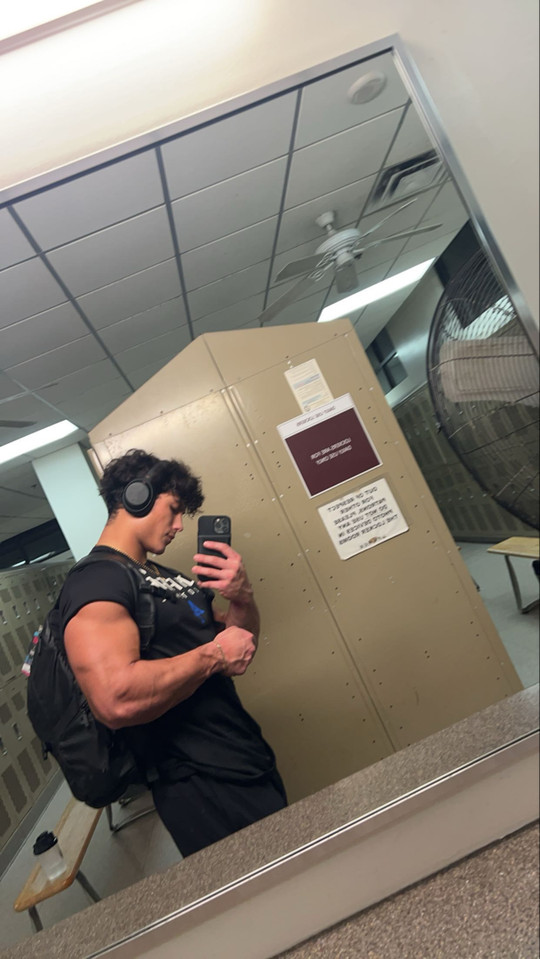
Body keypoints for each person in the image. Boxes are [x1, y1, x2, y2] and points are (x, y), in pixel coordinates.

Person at [60, 448, 286, 856]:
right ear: (137, 497)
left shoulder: (165, 578)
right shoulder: (97, 584)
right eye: (174, 509)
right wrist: (214, 656)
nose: (180, 525)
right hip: (197, 783)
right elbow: (115, 698)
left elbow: (237, 646)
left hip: (243, 755)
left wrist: (242, 598)